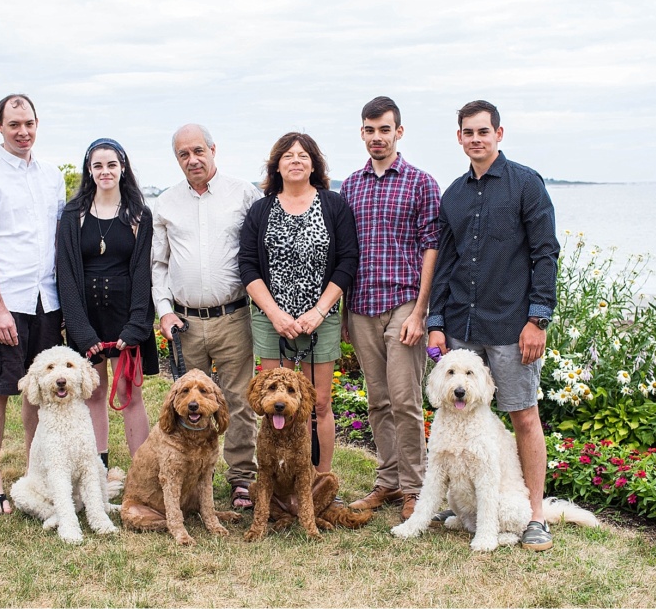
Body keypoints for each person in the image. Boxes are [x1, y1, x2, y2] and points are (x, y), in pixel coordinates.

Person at [426, 99, 560, 551]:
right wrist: (437, 323)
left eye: (484, 131)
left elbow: (545, 252)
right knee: (460, 415)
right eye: (468, 132)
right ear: (459, 138)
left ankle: (535, 514)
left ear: (499, 134)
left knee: (523, 415)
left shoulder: (526, 184)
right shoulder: (453, 196)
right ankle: (466, 506)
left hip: (511, 324)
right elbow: (445, 263)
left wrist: (538, 319)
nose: (476, 139)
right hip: (463, 325)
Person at [340, 96, 441, 522]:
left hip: (404, 304)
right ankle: (387, 482)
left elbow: (431, 248)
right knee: (378, 400)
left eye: (385, 129)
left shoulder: (421, 182)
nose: (377, 137)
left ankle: (416, 489)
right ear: (362, 133)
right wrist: (344, 312)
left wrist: (421, 312)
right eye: (369, 129)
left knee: (405, 400)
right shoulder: (350, 186)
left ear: (399, 132)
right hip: (361, 306)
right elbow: (343, 252)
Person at [151, 124, 262, 509]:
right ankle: (191, 480)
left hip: (233, 317)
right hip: (184, 322)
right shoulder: (165, 203)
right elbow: (158, 264)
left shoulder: (244, 194)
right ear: (177, 159)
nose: (192, 159)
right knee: (187, 406)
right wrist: (164, 313)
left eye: (198, 151)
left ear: (213, 149)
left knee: (237, 400)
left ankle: (242, 479)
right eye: (184, 154)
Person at [0, 94, 65, 515]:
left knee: (37, 392)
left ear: (37, 123)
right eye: (14, 124)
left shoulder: (52, 176)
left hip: (47, 299)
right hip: (5, 300)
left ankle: (31, 474)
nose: (22, 131)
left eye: (29, 123)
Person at [239, 132, 359, 474]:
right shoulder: (260, 210)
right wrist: (275, 314)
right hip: (271, 321)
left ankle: (319, 482)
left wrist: (319, 311)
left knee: (317, 404)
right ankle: (281, 480)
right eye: (288, 155)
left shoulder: (334, 205)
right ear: (277, 164)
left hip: (321, 319)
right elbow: (247, 264)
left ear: (314, 164)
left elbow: (348, 260)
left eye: (303, 155)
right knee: (277, 404)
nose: (295, 160)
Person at [56, 137, 157, 465]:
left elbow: (143, 272)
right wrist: (81, 330)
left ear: (122, 168)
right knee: (93, 392)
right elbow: (67, 274)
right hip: (87, 317)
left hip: (126, 315)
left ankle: (142, 473)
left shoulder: (139, 215)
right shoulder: (74, 215)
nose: (105, 171)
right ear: (89, 170)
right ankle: (96, 471)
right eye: (98, 165)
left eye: (112, 164)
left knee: (129, 394)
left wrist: (138, 324)